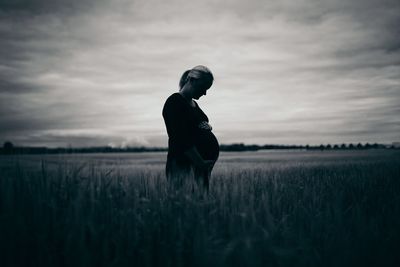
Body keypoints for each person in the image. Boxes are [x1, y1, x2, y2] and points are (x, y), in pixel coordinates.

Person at [162, 65, 219, 192]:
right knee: (184, 204)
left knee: (200, 205)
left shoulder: (194, 104)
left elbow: (201, 123)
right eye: (203, 88)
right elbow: (181, 138)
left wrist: (208, 127)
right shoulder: (174, 102)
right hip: (183, 165)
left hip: (199, 168)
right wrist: (200, 163)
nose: (205, 93)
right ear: (192, 81)